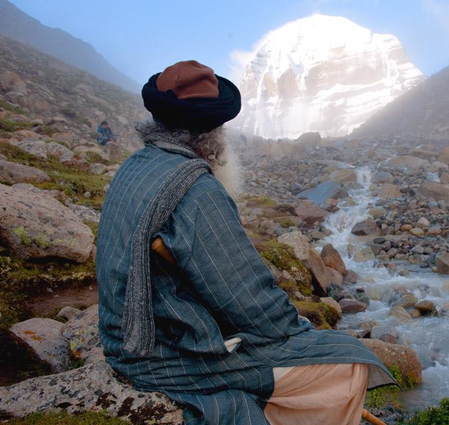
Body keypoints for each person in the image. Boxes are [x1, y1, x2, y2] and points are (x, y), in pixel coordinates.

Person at [96, 60, 394, 425]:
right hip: (160, 354)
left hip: (121, 334)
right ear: (214, 132)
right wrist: (298, 332)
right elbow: (247, 300)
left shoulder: (138, 164)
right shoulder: (197, 190)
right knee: (348, 362)